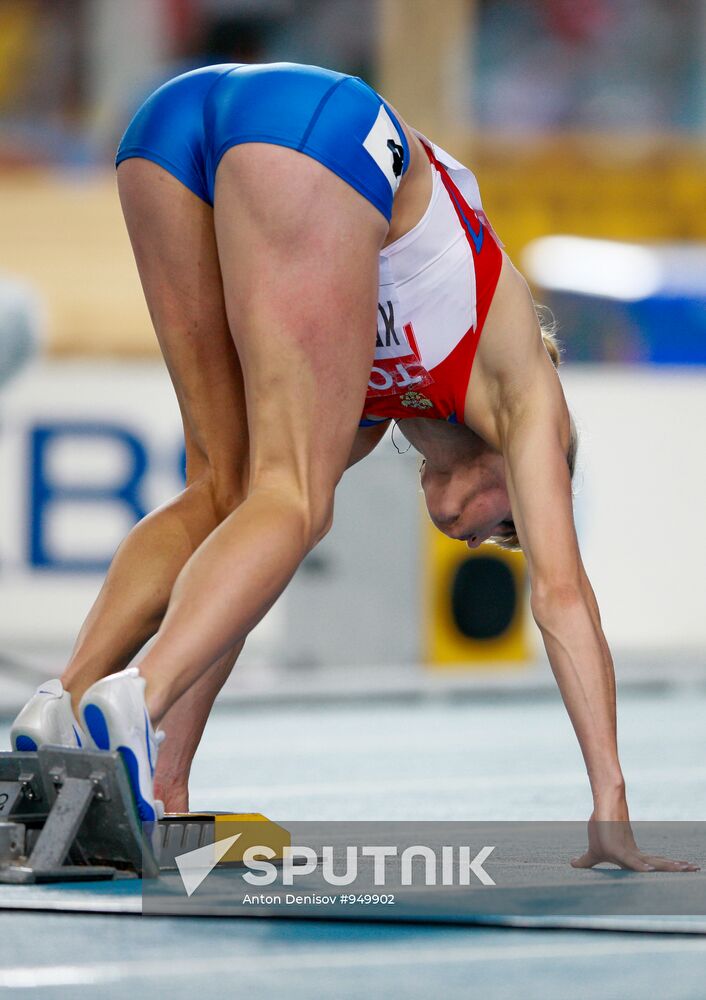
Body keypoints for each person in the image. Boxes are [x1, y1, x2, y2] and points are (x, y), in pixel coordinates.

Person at [10, 63, 695, 871]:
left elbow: (235, 571)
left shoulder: (365, 407)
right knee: (296, 501)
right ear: (518, 473)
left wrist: (172, 788)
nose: (481, 543)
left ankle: (62, 707)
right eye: (507, 529)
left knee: (229, 496)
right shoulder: (525, 395)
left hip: (169, 126)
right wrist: (610, 803)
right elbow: (564, 596)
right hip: (317, 125)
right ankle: (132, 703)